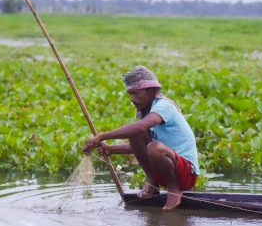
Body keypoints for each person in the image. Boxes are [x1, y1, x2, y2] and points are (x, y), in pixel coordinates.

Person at [82, 66, 199, 210]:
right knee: (138, 135)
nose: (132, 99)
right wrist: (111, 149)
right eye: (130, 94)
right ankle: (152, 183)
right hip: (165, 170)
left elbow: (143, 131)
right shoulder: (145, 110)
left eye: (136, 93)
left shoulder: (164, 106)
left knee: (151, 144)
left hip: (186, 174)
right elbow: (142, 147)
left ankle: (174, 189)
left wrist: (101, 136)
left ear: (151, 91)